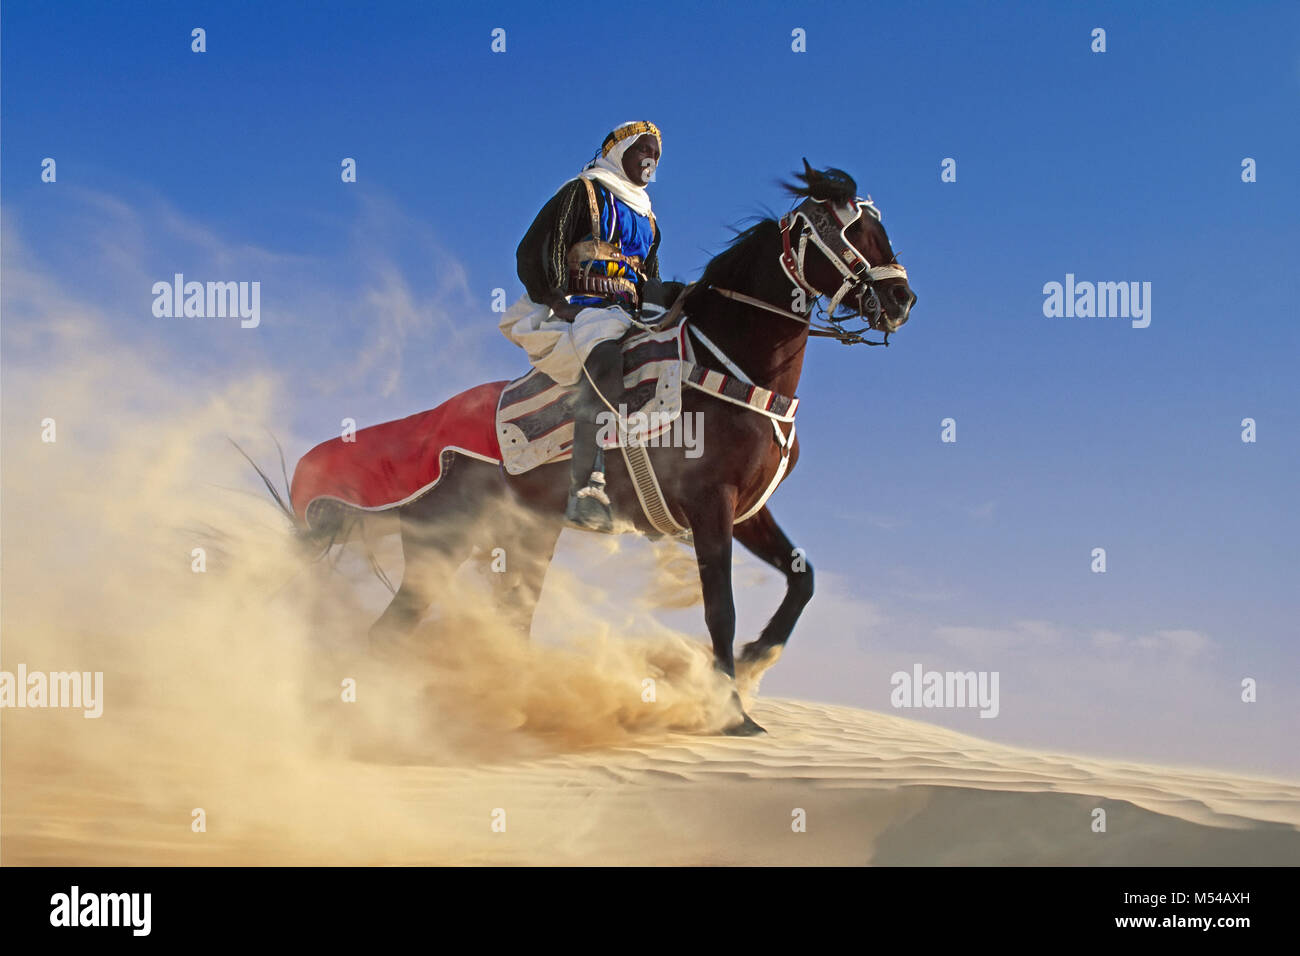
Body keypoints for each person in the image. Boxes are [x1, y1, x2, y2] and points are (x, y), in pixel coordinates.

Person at [502, 121, 664, 532]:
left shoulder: (648, 216)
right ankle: (586, 485)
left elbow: (652, 277)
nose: (650, 159)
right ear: (619, 152)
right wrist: (556, 299)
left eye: (656, 154)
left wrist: (665, 310)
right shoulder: (585, 190)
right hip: (584, 305)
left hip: (630, 311)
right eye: (643, 149)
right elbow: (534, 247)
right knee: (606, 359)